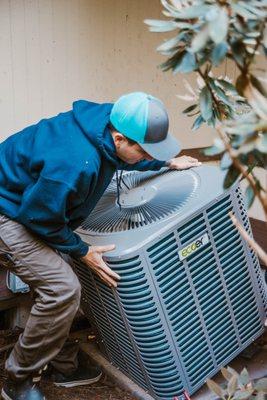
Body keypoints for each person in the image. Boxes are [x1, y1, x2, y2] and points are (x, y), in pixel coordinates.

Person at [0, 92, 201, 400]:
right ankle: (17, 381)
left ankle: (63, 366)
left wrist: (164, 163)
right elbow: (40, 218)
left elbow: (120, 158)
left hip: (33, 203)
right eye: (146, 152)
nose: (148, 157)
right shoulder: (74, 163)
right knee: (62, 289)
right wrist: (82, 250)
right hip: (9, 213)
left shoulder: (105, 122)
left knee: (62, 282)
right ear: (120, 138)